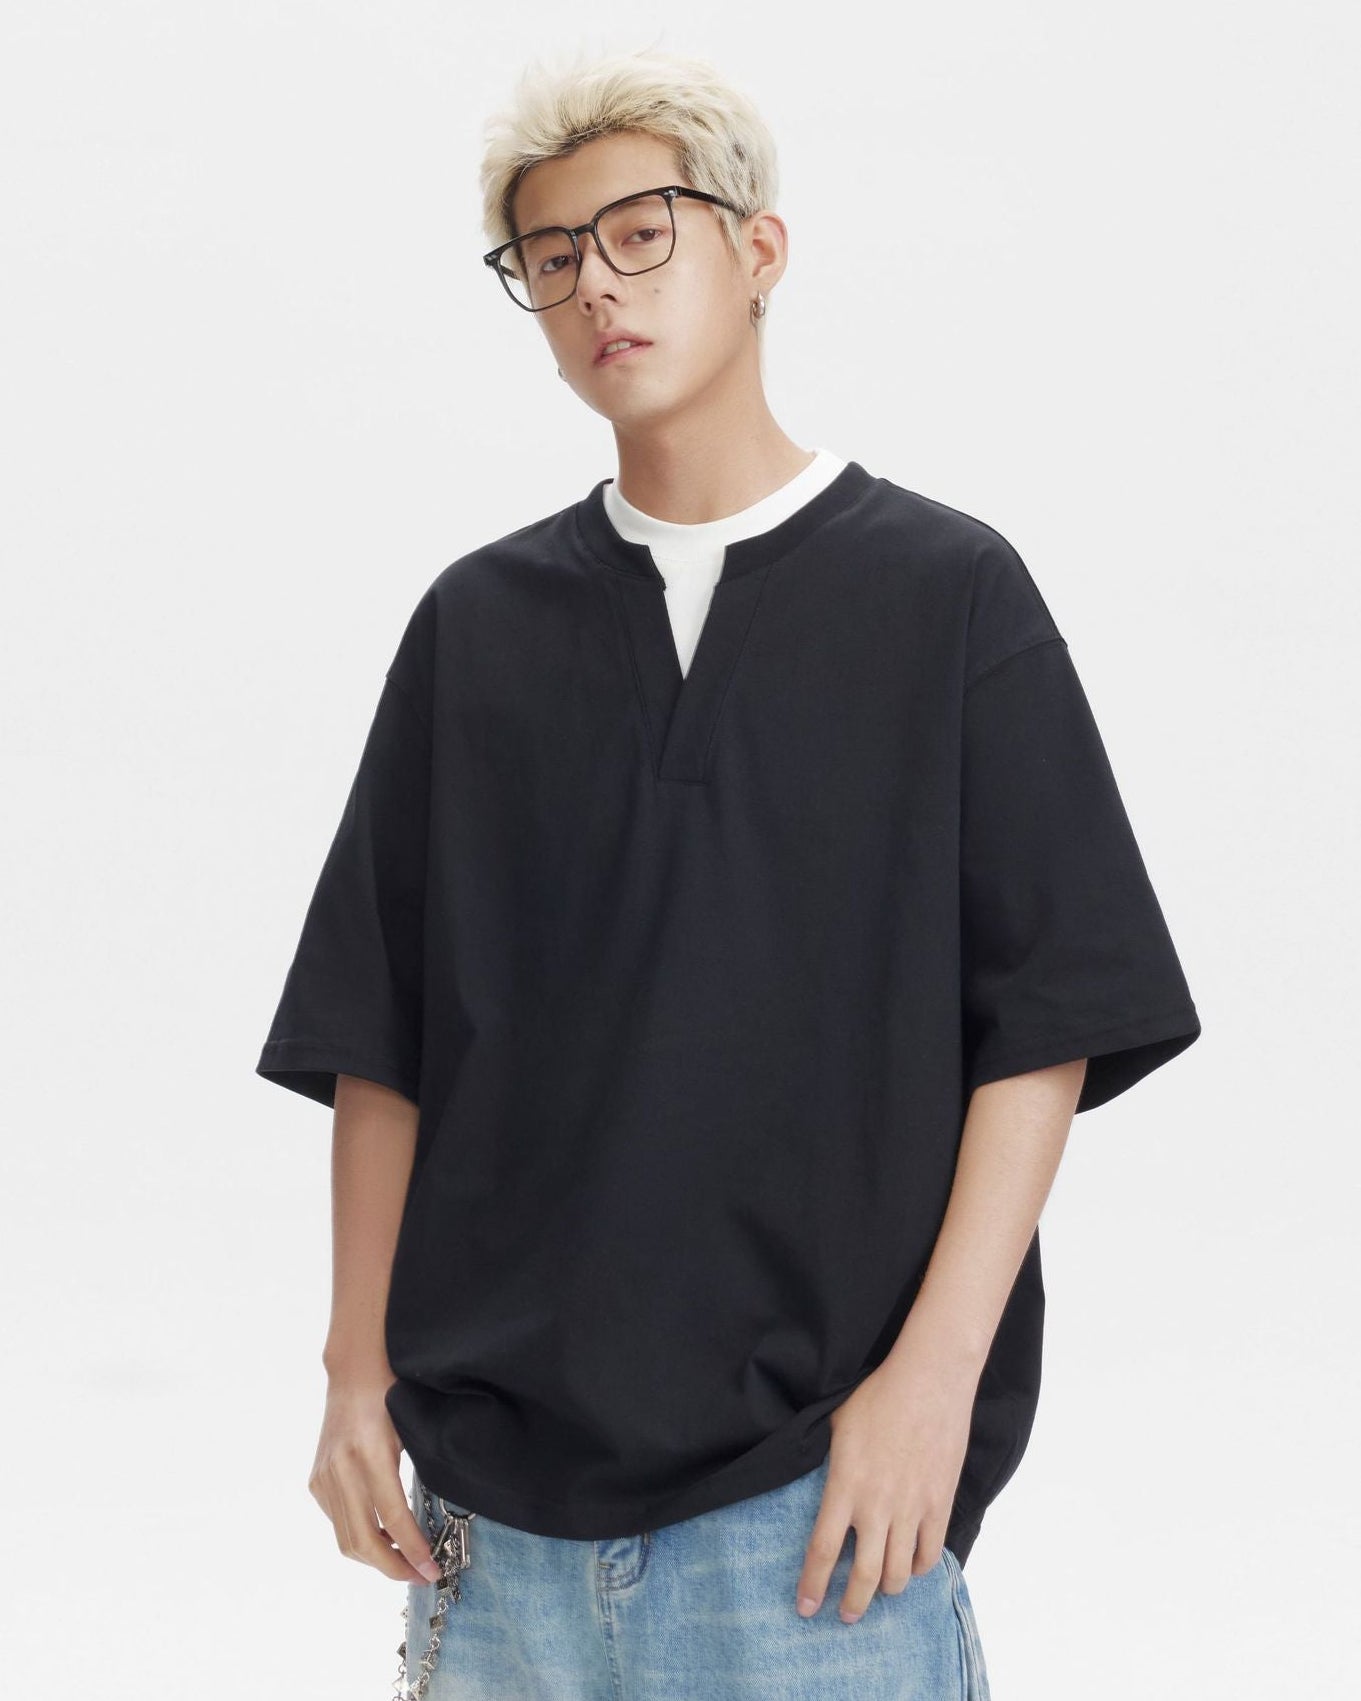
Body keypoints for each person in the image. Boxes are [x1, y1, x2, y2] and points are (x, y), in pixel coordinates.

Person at [255, 46, 1201, 1700]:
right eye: (550, 256)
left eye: (640, 233)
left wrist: (931, 1381)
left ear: (757, 249)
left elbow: (1045, 1023)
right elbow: (380, 1037)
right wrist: (352, 1371)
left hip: (818, 1521)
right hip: (493, 1535)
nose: (593, 287)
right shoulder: (478, 628)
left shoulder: (944, 596)